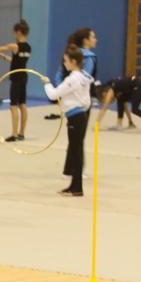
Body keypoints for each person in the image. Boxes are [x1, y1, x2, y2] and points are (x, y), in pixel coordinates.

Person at [44, 45, 93, 197]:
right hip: (80, 116)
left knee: (76, 151)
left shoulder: (73, 79)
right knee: (75, 150)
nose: (64, 63)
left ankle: (77, 187)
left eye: (65, 61)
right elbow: (87, 100)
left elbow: (53, 94)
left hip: (76, 117)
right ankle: (74, 185)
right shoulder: (84, 76)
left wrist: (46, 82)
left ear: (73, 61)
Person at [0, 20, 33, 142]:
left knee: (13, 106)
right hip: (23, 76)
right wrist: (3, 57)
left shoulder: (15, 46)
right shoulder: (28, 47)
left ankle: (14, 133)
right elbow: (17, 62)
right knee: (22, 105)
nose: (14, 36)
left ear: (18, 32)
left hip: (16, 78)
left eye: (14, 33)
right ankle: (21, 133)